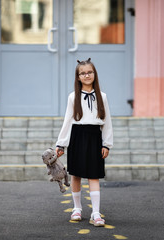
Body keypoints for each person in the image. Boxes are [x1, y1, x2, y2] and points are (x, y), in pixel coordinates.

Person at [55, 58, 113, 227]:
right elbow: (68, 121)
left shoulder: (102, 96)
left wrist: (106, 144)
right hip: (77, 136)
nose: (87, 75)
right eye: (83, 73)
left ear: (94, 74)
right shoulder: (73, 97)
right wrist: (61, 144)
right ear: (78, 77)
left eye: (90, 72)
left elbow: (107, 121)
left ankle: (96, 213)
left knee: (94, 175)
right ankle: (77, 208)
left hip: (95, 137)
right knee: (76, 175)